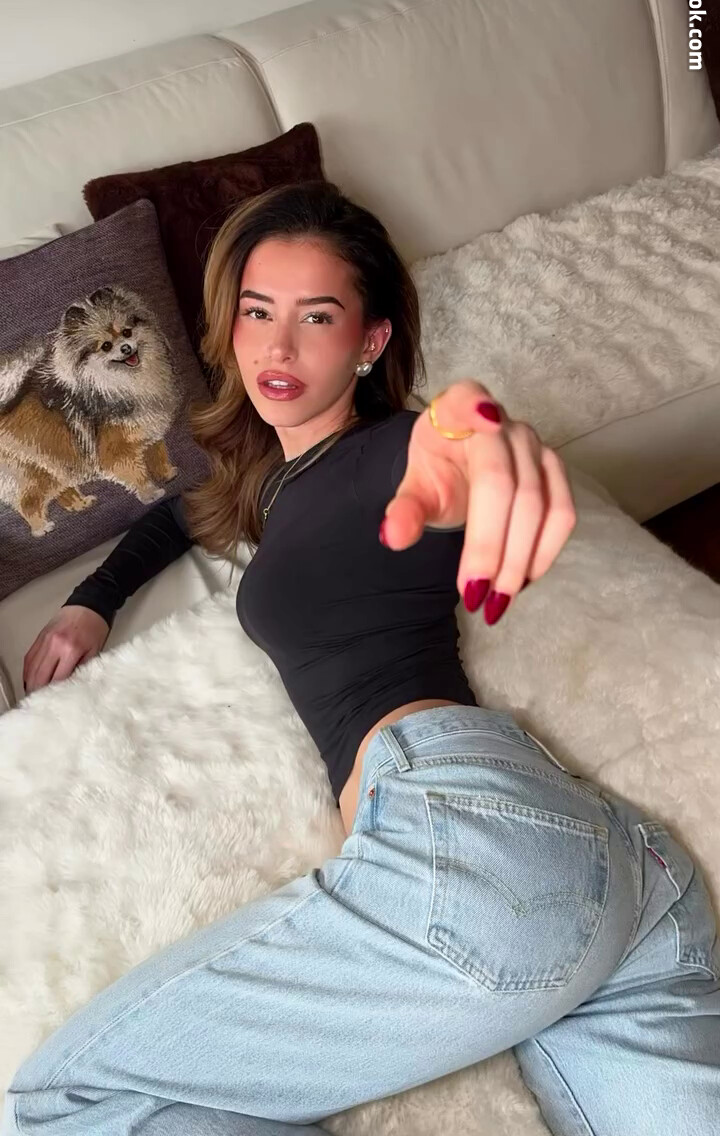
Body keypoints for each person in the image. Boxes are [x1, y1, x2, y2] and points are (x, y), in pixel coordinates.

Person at [5, 181, 719, 1136]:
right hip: (623, 877)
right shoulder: (273, 479)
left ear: (370, 342)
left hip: (471, 840)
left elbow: (450, 450)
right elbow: (182, 512)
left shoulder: (390, 458)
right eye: (258, 312)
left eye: (317, 317)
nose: (277, 348)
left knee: (65, 1100)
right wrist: (92, 602)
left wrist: (474, 436)